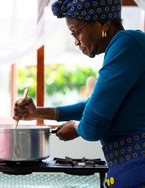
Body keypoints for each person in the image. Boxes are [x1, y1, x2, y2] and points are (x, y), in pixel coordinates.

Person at [14, 0, 145, 187]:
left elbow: (93, 124)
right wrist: (37, 113)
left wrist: (76, 127)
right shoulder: (127, 46)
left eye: (76, 31)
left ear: (103, 24)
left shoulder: (126, 44)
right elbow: (92, 106)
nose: (75, 41)